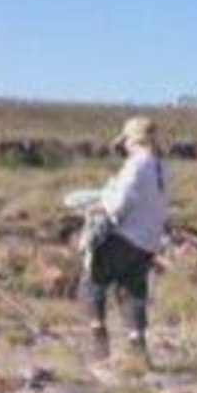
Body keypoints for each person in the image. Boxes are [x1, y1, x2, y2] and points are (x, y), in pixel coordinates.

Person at [80, 116, 169, 368]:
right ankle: (138, 351)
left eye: (126, 140)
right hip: (148, 242)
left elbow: (118, 204)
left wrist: (99, 205)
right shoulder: (161, 166)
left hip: (125, 237)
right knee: (132, 292)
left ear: (133, 140)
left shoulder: (136, 165)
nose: (125, 145)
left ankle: (99, 347)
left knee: (91, 283)